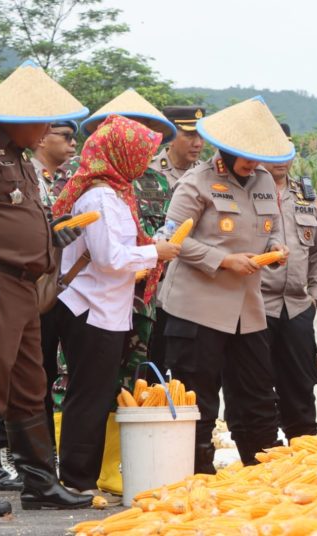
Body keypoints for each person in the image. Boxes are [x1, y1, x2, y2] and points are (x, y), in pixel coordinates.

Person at [0, 60, 92, 516]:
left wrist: (52, 234)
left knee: (29, 385)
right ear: (17, 115)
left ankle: (39, 482)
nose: (50, 129)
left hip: (25, 287)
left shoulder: (20, 160)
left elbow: (16, 218)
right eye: (44, 120)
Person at [52, 115, 180, 499]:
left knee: (96, 391)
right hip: (92, 309)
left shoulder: (115, 192)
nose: (146, 161)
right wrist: (154, 251)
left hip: (108, 306)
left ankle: (81, 476)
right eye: (141, 153)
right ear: (121, 154)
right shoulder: (101, 197)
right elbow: (109, 258)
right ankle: (77, 478)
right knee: (88, 394)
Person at [160, 96, 290, 469]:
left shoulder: (264, 180)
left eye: (258, 155)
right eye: (244, 155)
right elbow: (174, 240)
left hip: (247, 311)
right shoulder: (196, 183)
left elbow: (272, 226)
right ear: (226, 149)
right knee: (199, 398)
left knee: (258, 392)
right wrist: (223, 260)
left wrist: (275, 246)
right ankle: (197, 472)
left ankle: (263, 469)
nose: (252, 163)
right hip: (197, 307)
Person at [78, 89, 177, 385]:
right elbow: (102, 251)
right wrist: (153, 253)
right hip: (94, 299)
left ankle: (119, 434)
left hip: (138, 298)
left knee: (134, 378)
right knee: (85, 384)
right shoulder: (88, 177)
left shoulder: (153, 179)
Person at [256, 122, 317, 440]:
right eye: (273, 151)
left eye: (286, 150)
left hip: (299, 307)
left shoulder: (306, 197)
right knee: (257, 383)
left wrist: (316, 294)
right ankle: (262, 446)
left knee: (301, 383)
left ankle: (303, 445)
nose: (281, 158)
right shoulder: (248, 192)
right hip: (258, 305)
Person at [149, 106, 206, 188]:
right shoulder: (148, 171)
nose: (198, 143)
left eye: (201, 135)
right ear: (170, 137)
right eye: (189, 135)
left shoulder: (208, 173)